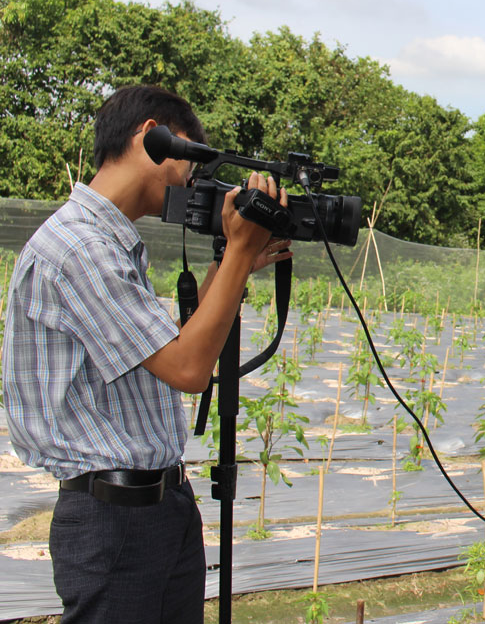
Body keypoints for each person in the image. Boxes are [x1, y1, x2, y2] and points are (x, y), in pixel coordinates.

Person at [2, 85, 292, 623]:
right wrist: (238, 255)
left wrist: (233, 264)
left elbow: (170, 350)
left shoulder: (109, 243)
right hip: (115, 521)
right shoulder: (81, 247)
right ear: (149, 137)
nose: (190, 179)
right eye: (188, 160)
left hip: (157, 509)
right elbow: (187, 369)